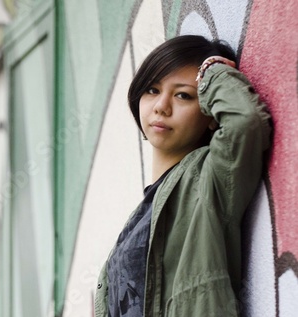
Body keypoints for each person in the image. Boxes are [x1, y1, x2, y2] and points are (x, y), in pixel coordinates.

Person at [94, 35, 272, 317]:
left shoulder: (209, 177)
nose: (161, 106)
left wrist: (212, 71)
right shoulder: (140, 216)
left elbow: (245, 123)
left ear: (210, 115)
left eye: (183, 95)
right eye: (152, 90)